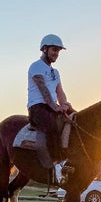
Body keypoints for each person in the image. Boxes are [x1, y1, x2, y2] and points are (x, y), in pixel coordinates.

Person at [27, 34, 74, 162]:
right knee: (53, 127)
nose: (56, 54)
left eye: (58, 51)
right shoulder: (36, 66)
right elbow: (43, 89)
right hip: (38, 107)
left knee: (76, 119)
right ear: (44, 49)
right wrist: (55, 106)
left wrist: (65, 105)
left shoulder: (56, 72)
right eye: (54, 50)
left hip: (52, 107)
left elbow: (60, 92)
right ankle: (55, 163)